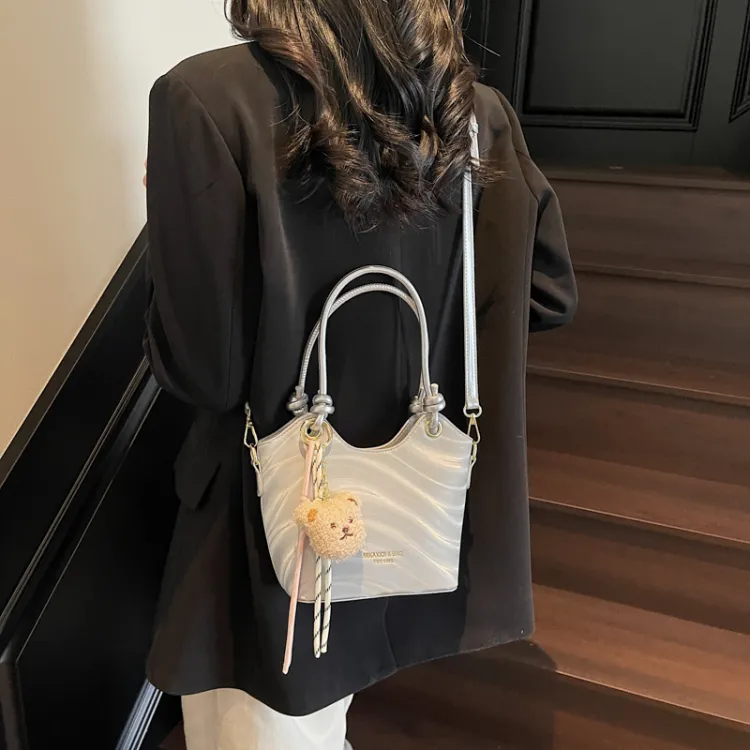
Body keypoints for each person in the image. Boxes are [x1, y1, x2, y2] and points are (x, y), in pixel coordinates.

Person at [143, 1, 577, 748]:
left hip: (272, 527)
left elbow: (203, 372)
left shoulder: (205, 98)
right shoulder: (474, 113)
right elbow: (546, 294)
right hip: (410, 503)